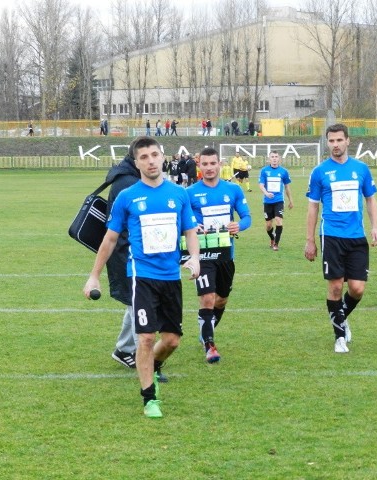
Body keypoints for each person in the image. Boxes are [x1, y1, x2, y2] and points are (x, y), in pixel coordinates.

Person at [83, 136, 200, 419]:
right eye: (144, 157)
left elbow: (190, 231)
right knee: (145, 337)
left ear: (163, 157)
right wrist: (94, 276)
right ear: (137, 163)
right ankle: (150, 397)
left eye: (154, 155)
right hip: (141, 275)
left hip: (171, 276)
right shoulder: (127, 196)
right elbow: (110, 239)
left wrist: (194, 257)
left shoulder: (178, 194)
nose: (150, 161)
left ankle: (155, 366)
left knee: (171, 341)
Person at [304, 123, 377, 353]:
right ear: (327, 142)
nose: (335, 145)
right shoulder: (319, 172)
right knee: (336, 287)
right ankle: (339, 337)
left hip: (357, 236)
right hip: (332, 236)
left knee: (357, 289)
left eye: (339, 140)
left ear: (348, 141)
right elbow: (312, 208)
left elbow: (370, 199)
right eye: (331, 141)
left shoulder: (361, 169)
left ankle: (340, 317)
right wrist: (310, 240)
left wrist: (375, 226)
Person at [186, 147, 251, 363]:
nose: (209, 168)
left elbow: (247, 217)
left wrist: (238, 226)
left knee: (221, 301)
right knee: (207, 298)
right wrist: (194, 226)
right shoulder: (190, 193)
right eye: (204, 164)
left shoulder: (233, 190)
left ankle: (206, 328)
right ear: (199, 164)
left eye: (213, 163)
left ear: (220, 164)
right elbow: (183, 222)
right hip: (202, 254)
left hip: (225, 255)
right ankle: (210, 345)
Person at [101, 145, 141, 371]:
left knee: (133, 302)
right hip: (126, 251)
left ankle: (123, 349)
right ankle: (140, 353)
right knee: (137, 302)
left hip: (127, 249)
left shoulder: (126, 178)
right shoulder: (127, 184)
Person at [258, 150, 294, 250]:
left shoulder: (284, 171)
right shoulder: (264, 171)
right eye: (272, 157)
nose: (274, 158)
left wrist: (291, 200)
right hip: (267, 201)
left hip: (279, 200)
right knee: (268, 225)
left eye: (276, 157)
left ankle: (276, 244)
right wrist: (266, 193)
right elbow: (261, 185)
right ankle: (272, 238)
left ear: (279, 159)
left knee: (278, 220)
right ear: (269, 159)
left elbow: (287, 187)